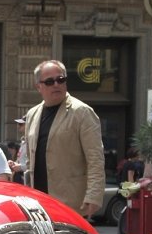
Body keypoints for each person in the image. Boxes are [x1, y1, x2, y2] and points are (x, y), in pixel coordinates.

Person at [23, 59, 105, 218]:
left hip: (70, 203)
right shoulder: (32, 114)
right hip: (39, 203)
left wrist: (93, 196)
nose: (56, 84)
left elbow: (95, 158)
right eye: (49, 81)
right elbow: (30, 159)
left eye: (61, 79)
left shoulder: (82, 112)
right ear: (38, 86)